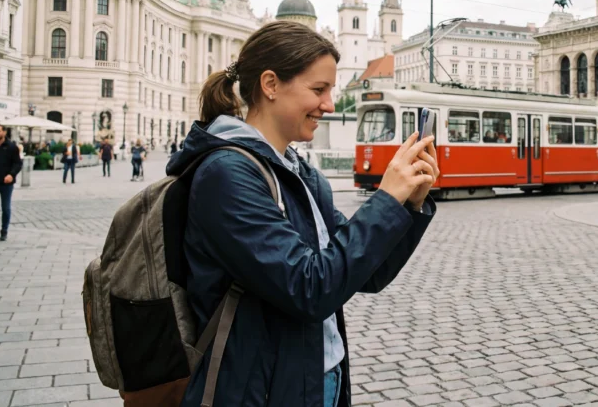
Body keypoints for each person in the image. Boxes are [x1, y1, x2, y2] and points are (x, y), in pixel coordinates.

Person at [172, 20, 438, 407]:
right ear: (271, 84)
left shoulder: (299, 171)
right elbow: (310, 288)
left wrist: (409, 204)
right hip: (260, 391)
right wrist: (384, 199)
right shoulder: (226, 175)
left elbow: (368, 273)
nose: (330, 105)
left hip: (317, 376)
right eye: (318, 90)